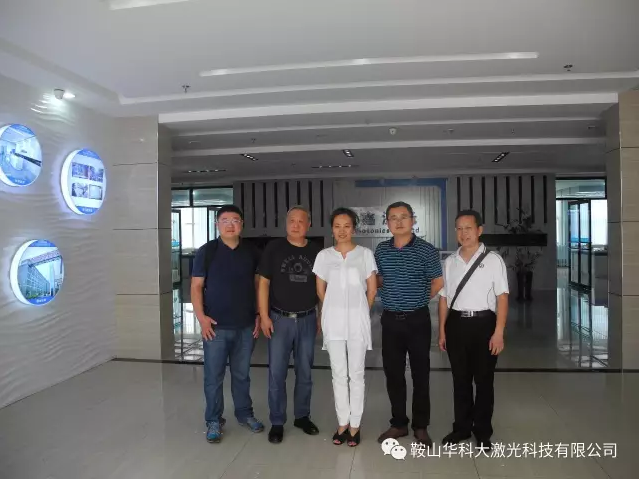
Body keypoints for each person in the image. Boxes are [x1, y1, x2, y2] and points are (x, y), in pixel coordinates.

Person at [191, 204, 263, 443]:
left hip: (245, 326)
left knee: (242, 375)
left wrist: (259, 314)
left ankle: (245, 414)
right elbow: (196, 287)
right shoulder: (207, 251)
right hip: (215, 328)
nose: (230, 225)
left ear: (242, 224)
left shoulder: (252, 252)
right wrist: (201, 318)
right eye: (225, 221)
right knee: (213, 377)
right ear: (217, 225)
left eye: (235, 220)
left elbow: (258, 286)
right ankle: (213, 419)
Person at [374, 201, 444, 446]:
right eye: (393, 218)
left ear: (413, 220)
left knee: (420, 374)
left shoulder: (426, 250)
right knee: (393, 374)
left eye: (403, 217)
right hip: (390, 320)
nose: (399, 222)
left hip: (417, 320)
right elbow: (378, 279)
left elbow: (437, 281)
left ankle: (421, 426)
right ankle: (399, 423)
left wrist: (419, 299)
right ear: (387, 223)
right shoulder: (381, 250)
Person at [438, 209, 509, 451]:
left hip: (484, 324)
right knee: (460, 380)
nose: (463, 233)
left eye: (468, 228)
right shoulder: (450, 262)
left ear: (479, 230)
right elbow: (444, 298)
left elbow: (502, 297)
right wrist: (442, 330)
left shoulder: (493, 260)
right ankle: (461, 428)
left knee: (484, 381)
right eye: (459, 228)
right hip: (456, 324)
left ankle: (483, 431)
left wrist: (498, 332)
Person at [313, 208, 377, 447]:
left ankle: (355, 425)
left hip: (357, 322)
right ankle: (342, 422)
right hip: (333, 322)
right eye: (337, 226)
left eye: (347, 226)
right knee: (338, 374)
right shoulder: (324, 256)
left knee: (356, 374)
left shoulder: (365, 254)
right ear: (332, 229)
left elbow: (372, 289)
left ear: (354, 229)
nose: (342, 231)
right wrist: (332, 309)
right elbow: (320, 290)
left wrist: (360, 310)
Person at [259, 206, 322, 444]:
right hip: (279, 319)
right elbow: (263, 283)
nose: (296, 225)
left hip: (307, 319)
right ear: (286, 224)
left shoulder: (316, 251)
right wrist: (264, 315)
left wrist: (321, 315)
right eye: (291, 221)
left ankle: (302, 416)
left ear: (309, 224)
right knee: (277, 373)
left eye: (301, 221)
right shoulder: (274, 248)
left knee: (305, 372)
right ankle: (277, 421)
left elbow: (321, 286)